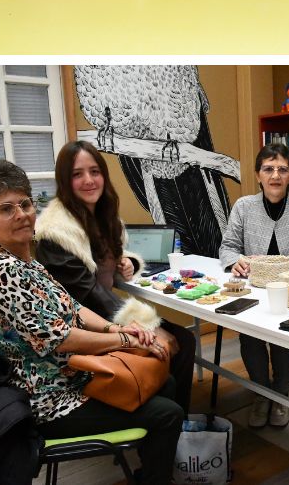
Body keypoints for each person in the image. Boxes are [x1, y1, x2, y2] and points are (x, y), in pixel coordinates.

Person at [0, 160, 183, 485]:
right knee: (168, 412)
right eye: (6, 209)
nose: (22, 214)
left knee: (165, 382)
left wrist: (118, 329)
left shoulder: (24, 260)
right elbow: (61, 339)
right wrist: (127, 340)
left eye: (24, 204)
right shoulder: (2, 271)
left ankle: (150, 472)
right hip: (44, 399)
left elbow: (75, 308)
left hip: (67, 375)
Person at [34, 140, 198, 413]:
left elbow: (113, 257)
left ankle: (175, 422)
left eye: (95, 171)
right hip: (83, 329)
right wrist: (147, 326)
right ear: (65, 180)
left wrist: (130, 262)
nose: (89, 180)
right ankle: (163, 417)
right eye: (77, 174)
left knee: (182, 340)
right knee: (171, 343)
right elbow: (90, 294)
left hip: (108, 314)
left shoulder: (101, 216)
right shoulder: (56, 234)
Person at [218, 142, 289, 428]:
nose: (275, 175)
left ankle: (281, 393)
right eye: (268, 169)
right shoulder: (244, 206)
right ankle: (261, 393)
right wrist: (235, 262)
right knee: (249, 336)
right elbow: (227, 247)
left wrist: (271, 265)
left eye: (282, 169)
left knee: (283, 338)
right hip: (252, 290)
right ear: (258, 175)